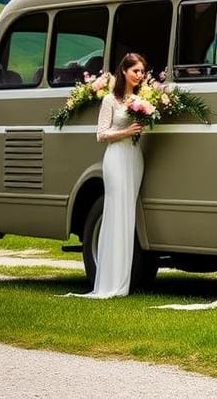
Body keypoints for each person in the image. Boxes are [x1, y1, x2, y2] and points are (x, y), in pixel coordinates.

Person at [82, 52, 146, 298]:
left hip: (134, 158)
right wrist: (127, 131)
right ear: (124, 72)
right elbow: (101, 134)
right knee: (115, 215)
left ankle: (123, 281)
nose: (139, 76)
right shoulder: (111, 100)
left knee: (128, 217)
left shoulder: (142, 98)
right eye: (135, 71)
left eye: (141, 72)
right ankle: (109, 281)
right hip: (116, 158)